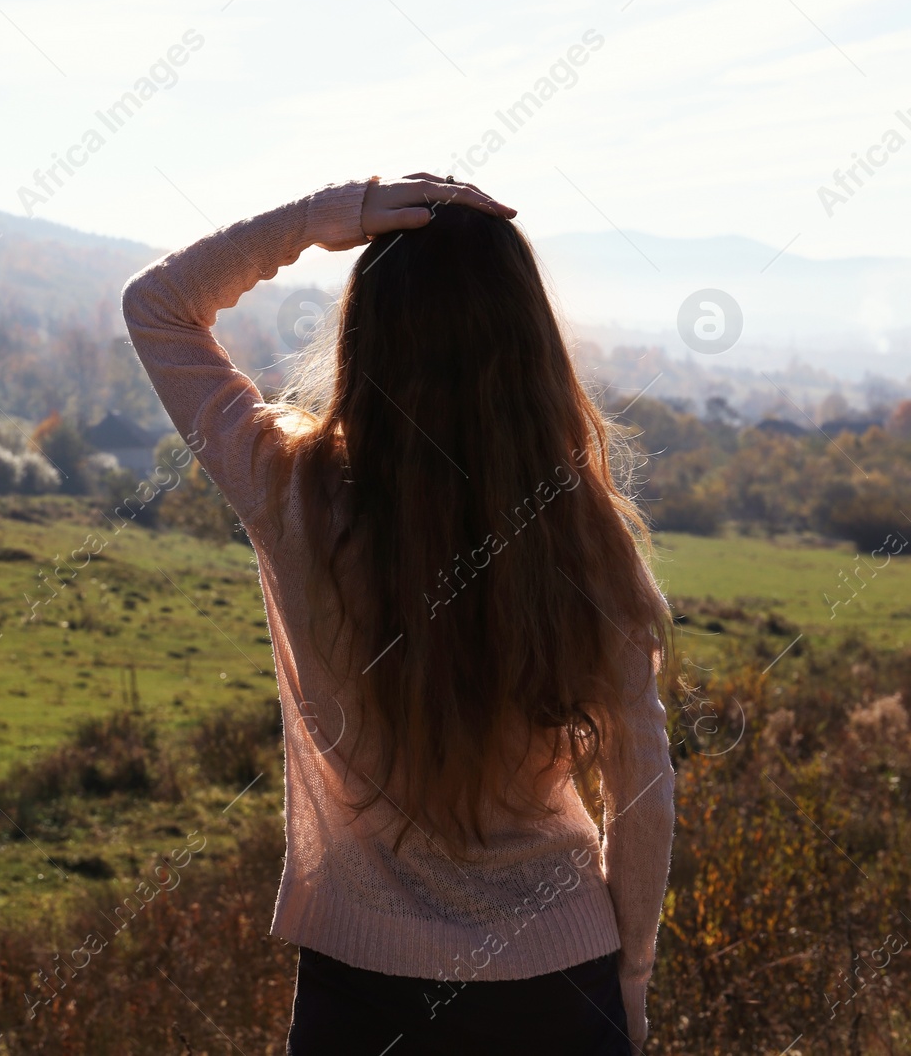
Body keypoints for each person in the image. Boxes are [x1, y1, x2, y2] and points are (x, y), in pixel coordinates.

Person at [122, 176, 673, 1055]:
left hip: (363, 995)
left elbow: (158, 305)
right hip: (563, 988)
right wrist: (630, 983)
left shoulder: (292, 490)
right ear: (529, 341)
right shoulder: (583, 533)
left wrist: (328, 216)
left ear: (365, 335)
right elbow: (643, 782)